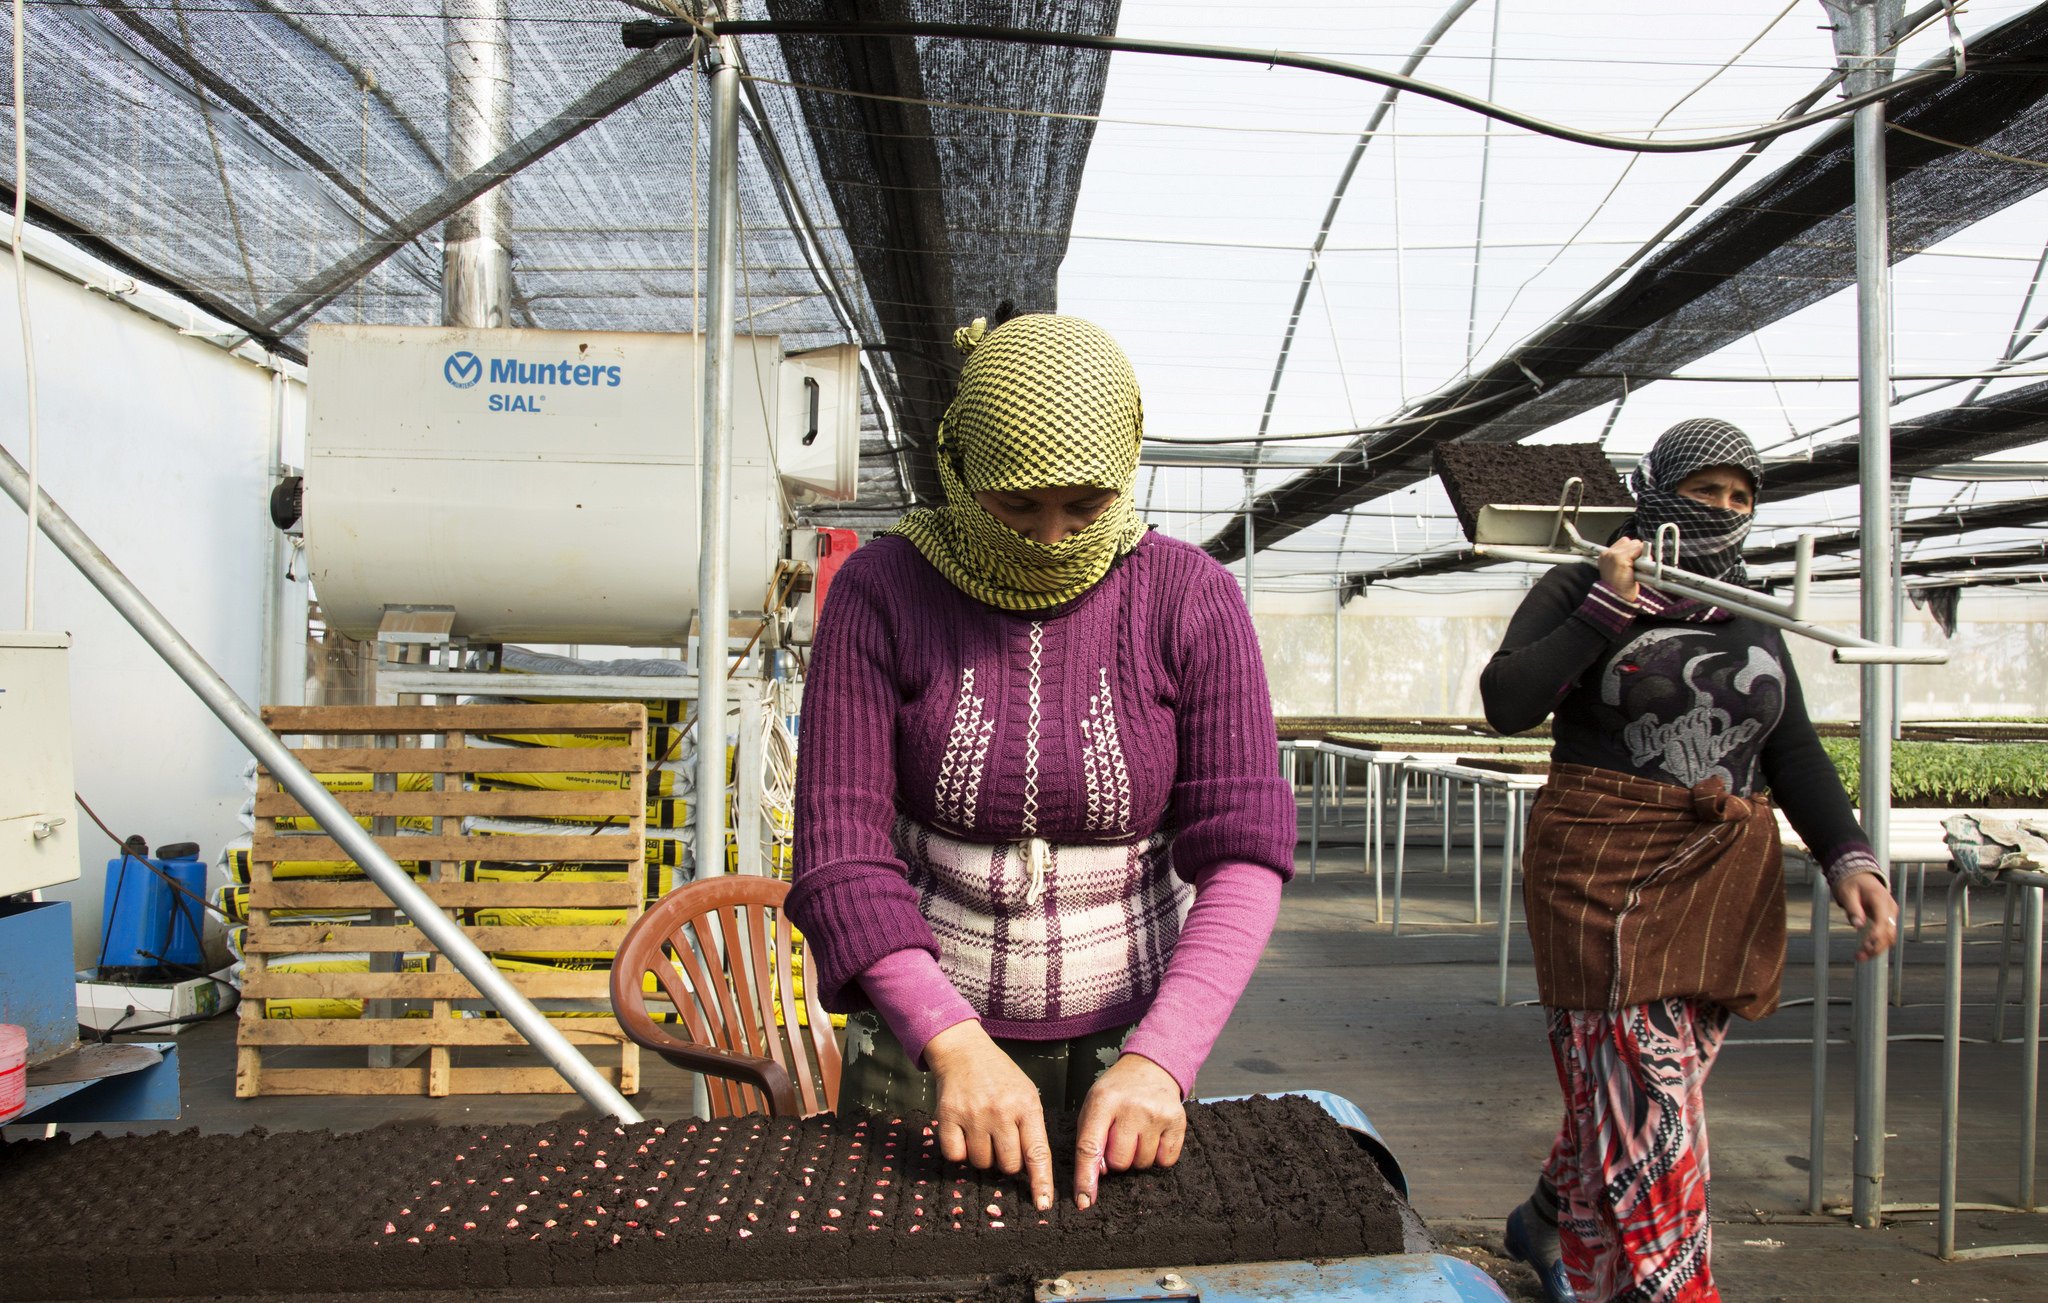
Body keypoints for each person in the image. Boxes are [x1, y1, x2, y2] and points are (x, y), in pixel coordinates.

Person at [786, 312, 1295, 1215]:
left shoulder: (1192, 598)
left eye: (1084, 505)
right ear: (960, 465)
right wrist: (951, 1042)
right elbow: (840, 852)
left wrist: (1162, 1057)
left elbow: (1244, 855)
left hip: (1132, 1043)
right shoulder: (882, 593)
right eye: (1016, 505)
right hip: (923, 1051)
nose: (1050, 537)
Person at [1477, 418, 1897, 1303]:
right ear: (1657, 491)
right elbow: (1507, 701)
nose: (1725, 509)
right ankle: (1672, 1290)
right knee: (1653, 1097)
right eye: (1706, 490)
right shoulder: (1580, 583)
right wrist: (1606, 605)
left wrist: (1849, 859)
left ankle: (1549, 1216)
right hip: (1600, 872)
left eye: (1742, 497)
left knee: (1627, 1091)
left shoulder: (1753, 609)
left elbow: (1793, 750)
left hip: (1715, 882)